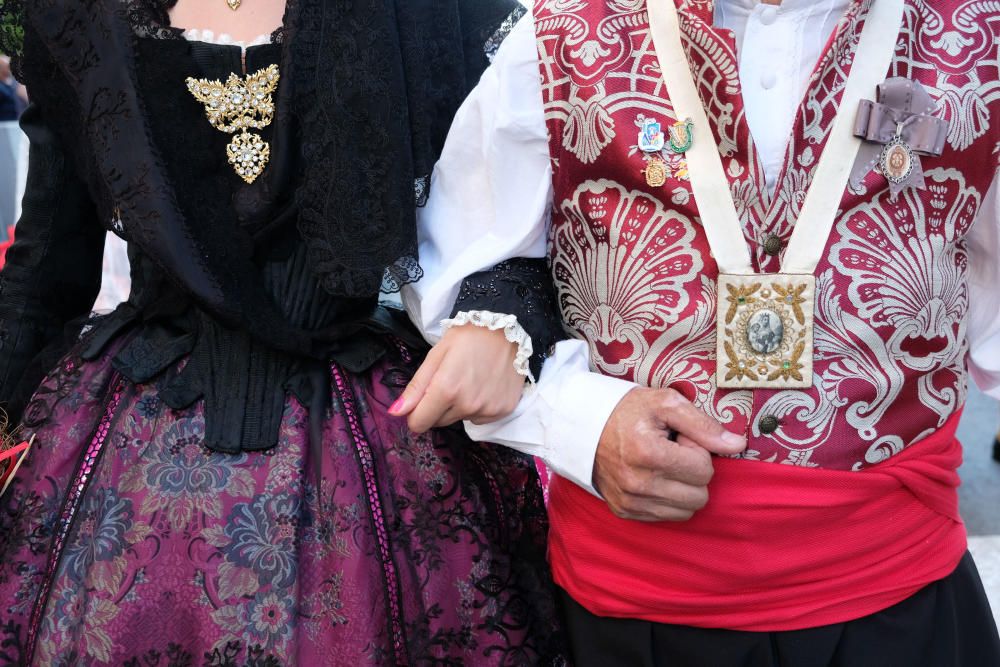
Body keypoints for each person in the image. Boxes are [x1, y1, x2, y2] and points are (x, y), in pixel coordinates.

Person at [415, 0, 1000, 665]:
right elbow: (456, 282)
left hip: (900, 606)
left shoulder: (975, 34)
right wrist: (581, 423)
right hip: (634, 620)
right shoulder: (562, 32)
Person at [0, 1, 567, 664]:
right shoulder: (82, 18)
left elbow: (511, 214)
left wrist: (498, 319)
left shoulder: (422, 13)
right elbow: (46, 264)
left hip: (375, 444)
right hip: (129, 469)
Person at [0, 54, 26, 121]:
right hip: (4, 123)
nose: (10, 68)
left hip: (16, 122)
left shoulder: (14, 82)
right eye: (8, 66)